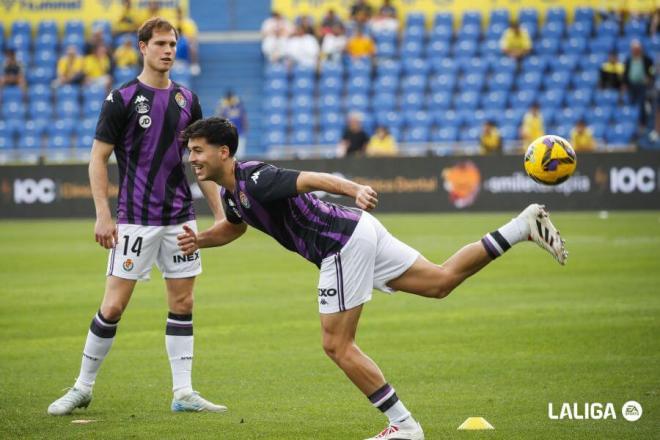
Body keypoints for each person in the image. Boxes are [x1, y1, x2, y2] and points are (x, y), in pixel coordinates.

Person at [176, 116, 567, 440]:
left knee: (337, 345)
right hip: (358, 231)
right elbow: (234, 228)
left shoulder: (254, 177)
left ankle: (405, 426)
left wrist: (354, 188)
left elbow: (311, 178)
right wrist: (201, 240)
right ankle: (521, 227)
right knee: (440, 282)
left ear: (223, 152)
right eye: (190, 151)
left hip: (340, 244)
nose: (192, 159)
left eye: (197, 150)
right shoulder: (233, 195)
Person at [47, 17, 225, 417]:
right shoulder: (121, 98)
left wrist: (219, 214)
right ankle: (82, 387)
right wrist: (102, 215)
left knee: (184, 301)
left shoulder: (187, 100)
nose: (167, 50)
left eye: (173, 44)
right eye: (160, 43)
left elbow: (201, 164)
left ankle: (183, 392)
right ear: (142, 47)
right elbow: (98, 157)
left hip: (180, 219)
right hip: (135, 220)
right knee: (113, 305)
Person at [623, 39, 655, 129]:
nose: (635, 51)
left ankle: (642, 124)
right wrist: (625, 84)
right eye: (634, 49)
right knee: (631, 104)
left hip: (642, 85)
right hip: (631, 86)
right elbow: (625, 73)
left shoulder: (647, 59)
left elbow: (652, 71)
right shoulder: (628, 60)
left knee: (642, 105)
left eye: (637, 49)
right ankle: (630, 124)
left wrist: (649, 78)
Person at [215, 90, 248, 157]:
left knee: (240, 154)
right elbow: (219, 117)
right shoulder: (222, 106)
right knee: (230, 154)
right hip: (228, 133)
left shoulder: (238, 105)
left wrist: (245, 127)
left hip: (239, 132)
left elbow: (244, 118)